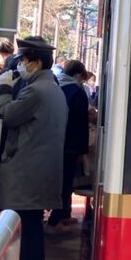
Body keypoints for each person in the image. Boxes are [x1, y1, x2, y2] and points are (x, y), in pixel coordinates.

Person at [0, 35, 68, 260]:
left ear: (35, 63)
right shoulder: (53, 89)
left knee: (16, 228)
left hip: (24, 171)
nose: (21, 65)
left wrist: (2, 89)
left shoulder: (35, 91)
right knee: (32, 226)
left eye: (24, 60)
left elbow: (4, 115)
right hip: (41, 170)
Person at [48, 60, 89, 227]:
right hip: (70, 145)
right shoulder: (77, 93)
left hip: (53, 142)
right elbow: (81, 123)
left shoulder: (56, 88)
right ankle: (59, 215)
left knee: (56, 180)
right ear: (78, 75)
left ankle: (58, 213)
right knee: (66, 182)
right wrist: (82, 149)